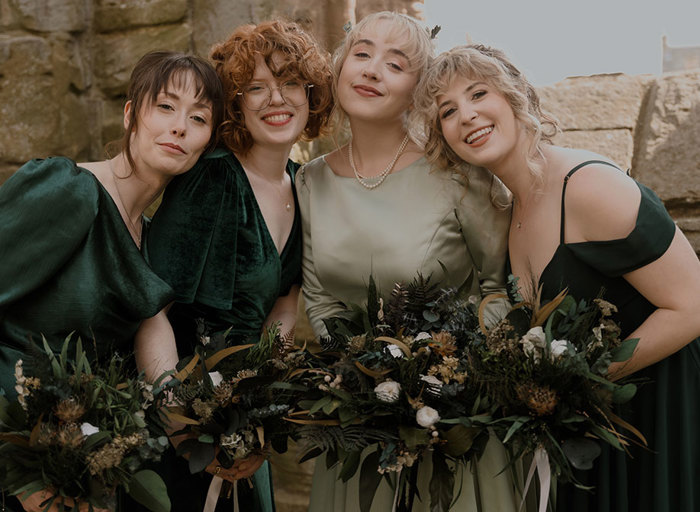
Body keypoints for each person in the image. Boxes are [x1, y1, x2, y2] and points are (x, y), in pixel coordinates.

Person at [416, 43, 700, 512]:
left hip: (659, 416)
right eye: (448, 111)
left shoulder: (588, 187)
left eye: (478, 93)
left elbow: (691, 305)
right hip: (590, 432)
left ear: (516, 97)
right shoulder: (509, 210)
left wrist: (581, 383)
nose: (466, 115)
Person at [297, 11, 520, 512]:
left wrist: (446, 377)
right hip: (359, 430)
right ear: (339, 68)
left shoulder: (459, 174)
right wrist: (361, 379)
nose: (372, 70)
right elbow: (319, 295)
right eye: (361, 53)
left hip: (453, 426)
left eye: (395, 65)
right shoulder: (309, 182)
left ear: (418, 91)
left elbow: (499, 285)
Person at [0, 50, 223, 512]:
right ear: (130, 115)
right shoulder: (67, 189)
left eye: (198, 117)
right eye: (165, 106)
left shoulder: (154, 241)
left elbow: (158, 381)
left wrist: (215, 443)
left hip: (81, 472)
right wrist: (19, 466)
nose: (179, 126)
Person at [137, 20, 333, 512]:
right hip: (177, 422)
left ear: (311, 96)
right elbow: (153, 304)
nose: (276, 99)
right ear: (236, 104)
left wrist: (254, 405)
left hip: (241, 423)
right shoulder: (212, 179)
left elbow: (286, 305)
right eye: (256, 88)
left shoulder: (300, 183)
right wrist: (185, 419)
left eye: (290, 83)